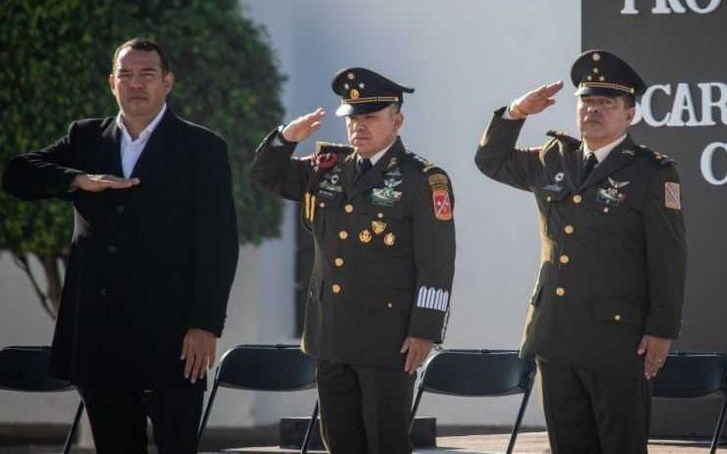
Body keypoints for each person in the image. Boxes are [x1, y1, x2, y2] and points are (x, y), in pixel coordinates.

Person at [2, 38, 239, 453]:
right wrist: (77, 180)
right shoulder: (87, 138)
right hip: (100, 335)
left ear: (168, 82)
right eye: (125, 75)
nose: (136, 84)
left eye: (147, 75)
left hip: (173, 337)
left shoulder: (203, 147)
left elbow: (219, 243)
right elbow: (17, 173)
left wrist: (205, 324)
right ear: (112, 83)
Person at [474, 50, 686, 453]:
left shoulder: (651, 172)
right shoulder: (554, 159)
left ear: (630, 115)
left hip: (618, 341)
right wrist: (517, 112)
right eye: (587, 102)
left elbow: (669, 257)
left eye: (606, 103)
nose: (593, 110)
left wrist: (662, 329)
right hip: (556, 335)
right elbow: (491, 160)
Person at [249, 67, 455, 454]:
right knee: (340, 442)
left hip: (388, 338)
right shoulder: (327, 169)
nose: (359, 127)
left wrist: (425, 329)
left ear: (398, 120)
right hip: (330, 333)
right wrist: (286, 137)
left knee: (384, 442)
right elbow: (264, 174)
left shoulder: (421, 180)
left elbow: (438, 263)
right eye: (353, 118)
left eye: (370, 118)